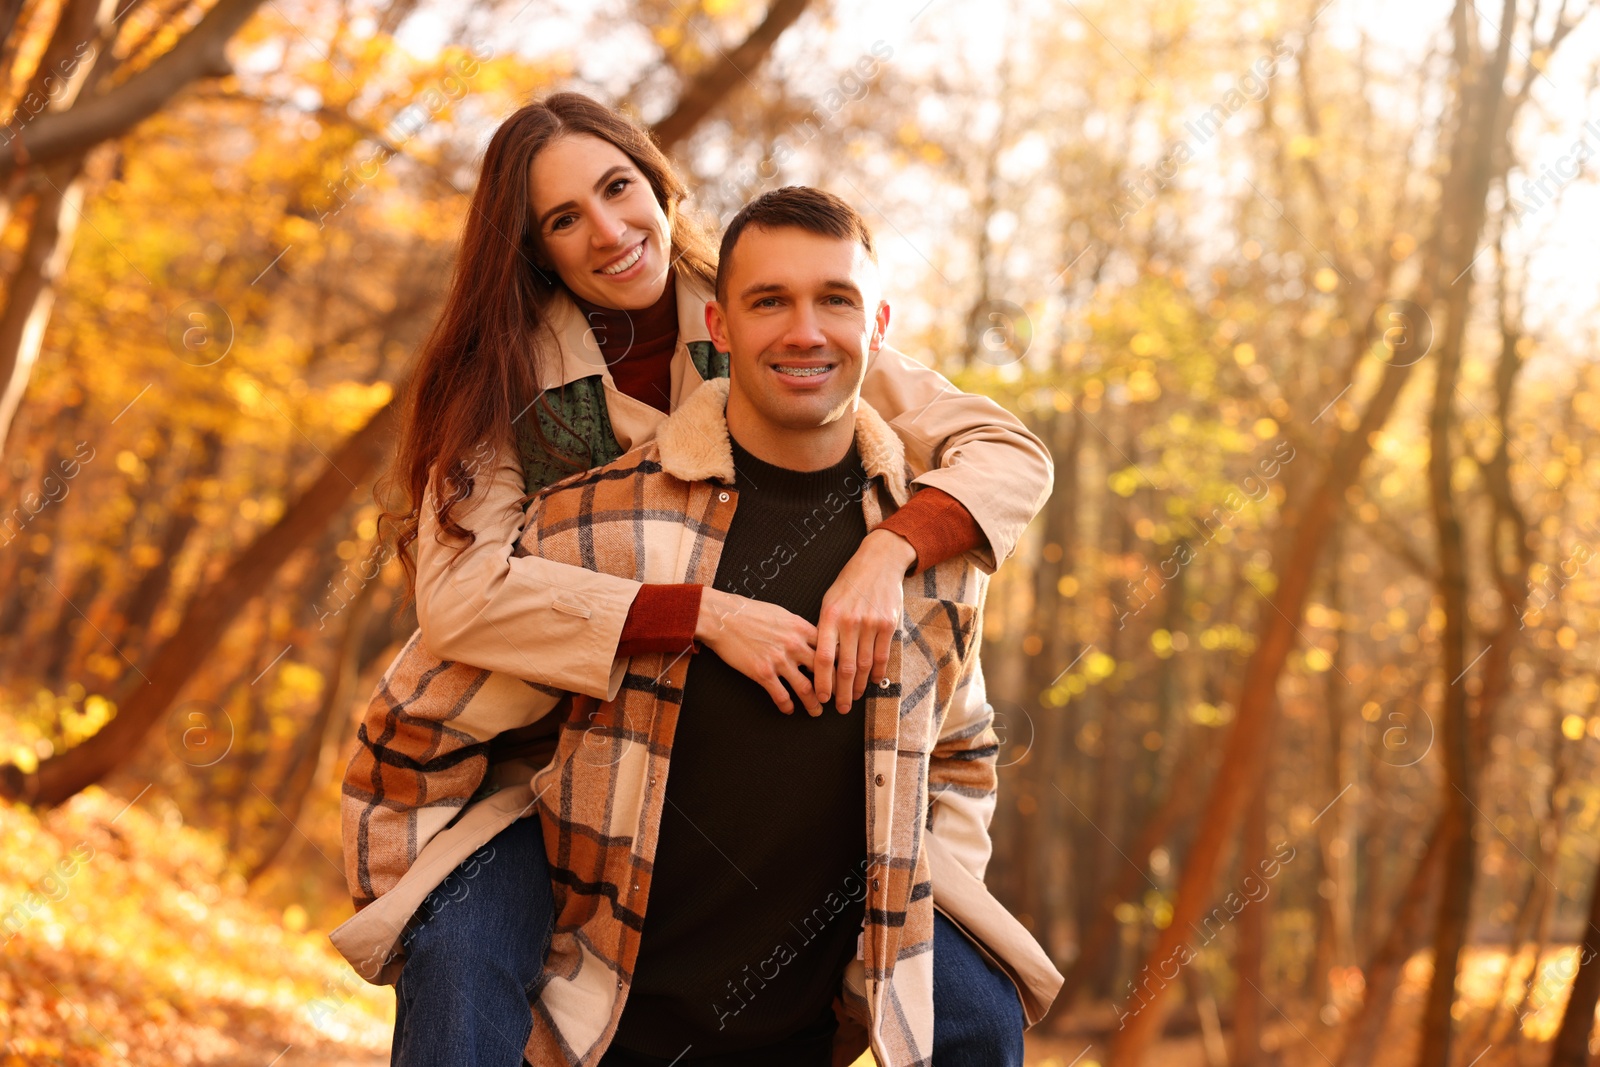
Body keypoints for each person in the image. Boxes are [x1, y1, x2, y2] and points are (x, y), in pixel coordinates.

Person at [333, 186, 1063, 1067]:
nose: (804, 331)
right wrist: (437, 920)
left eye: (835, 299)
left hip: (793, 1040)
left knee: (985, 1017)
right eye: (769, 302)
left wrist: (911, 908)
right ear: (718, 326)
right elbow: (416, 725)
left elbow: (959, 751)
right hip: (587, 1029)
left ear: (879, 326)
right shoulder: (594, 527)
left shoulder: (934, 553)